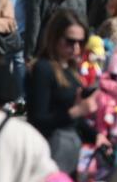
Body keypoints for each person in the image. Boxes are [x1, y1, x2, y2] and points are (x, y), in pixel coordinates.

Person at [27, 9, 99, 173]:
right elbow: (38, 119)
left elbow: (74, 117)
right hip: (50, 148)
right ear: (55, 38)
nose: (76, 47)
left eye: (81, 42)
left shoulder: (70, 69)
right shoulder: (43, 68)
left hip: (69, 144)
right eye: (70, 41)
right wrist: (78, 110)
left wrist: (96, 135)